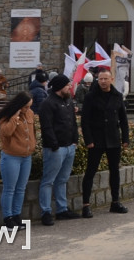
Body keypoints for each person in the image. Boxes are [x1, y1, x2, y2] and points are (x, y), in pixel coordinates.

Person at [80, 69, 129, 217]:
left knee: (115, 171)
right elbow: (85, 121)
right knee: (90, 172)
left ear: (111, 79)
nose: (102, 81)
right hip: (96, 141)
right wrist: (88, 140)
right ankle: (86, 205)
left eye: (105, 79)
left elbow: (124, 120)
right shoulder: (90, 97)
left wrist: (125, 138)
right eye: (100, 79)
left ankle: (115, 202)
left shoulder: (118, 96)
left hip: (113, 140)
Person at [38, 74, 81, 226]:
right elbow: (47, 127)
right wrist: (54, 144)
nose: (70, 87)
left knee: (62, 180)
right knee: (48, 181)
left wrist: (75, 140)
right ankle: (46, 212)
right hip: (55, 149)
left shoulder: (68, 101)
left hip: (70, 146)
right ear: (59, 87)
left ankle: (62, 209)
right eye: (67, 85)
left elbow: (73, 122)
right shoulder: (48, 104)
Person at [0, 91, 36, 228]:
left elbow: (32, 131)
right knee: (9, 189)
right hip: (12, 156)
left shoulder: (29, 114)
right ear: (19, 106)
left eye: (29, 107)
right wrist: (14, 117)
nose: (28, 110)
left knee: (21, 188)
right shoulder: (8, 116)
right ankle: (8, 217)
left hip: (26, 156)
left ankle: (17, 215)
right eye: (25, 107)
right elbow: (6, 132)